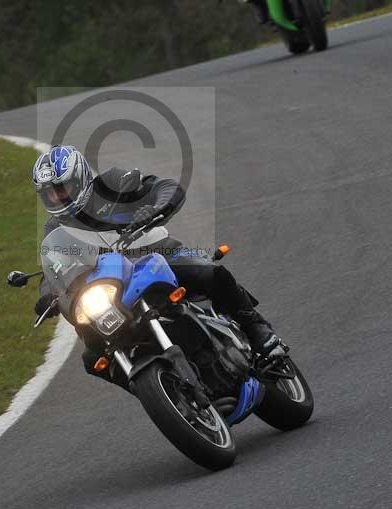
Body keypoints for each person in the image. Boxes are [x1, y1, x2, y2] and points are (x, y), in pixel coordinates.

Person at [24, 144, 284, 380]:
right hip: (115, 282)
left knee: (206, 273)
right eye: (49, 193)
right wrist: (48, 294)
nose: (57, 198)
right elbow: (53, 269)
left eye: (62, 189)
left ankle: (257, 329)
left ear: (80, 178)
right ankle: (152, 387)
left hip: (156, 252)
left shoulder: (111, 184)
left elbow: (164, 187)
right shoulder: (54, 229)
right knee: (93, 359)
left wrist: (153, 208)